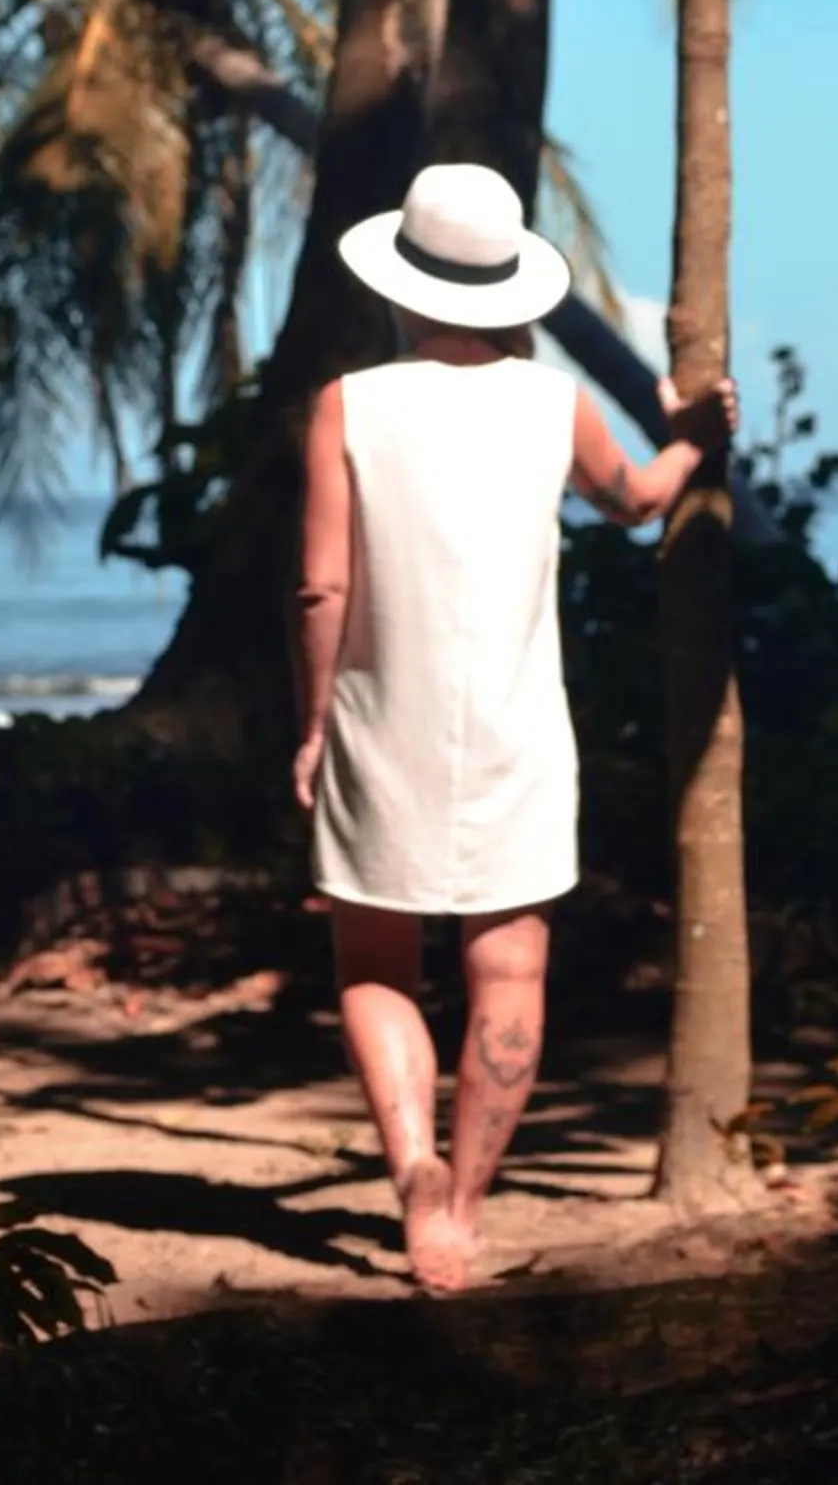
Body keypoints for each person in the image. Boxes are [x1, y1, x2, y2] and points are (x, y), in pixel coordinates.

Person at [292, 160, 739, 1294]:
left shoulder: (352, 402)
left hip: (377, 715)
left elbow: (320, 592)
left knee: (373, 960)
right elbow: (635, 500)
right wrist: (690, 439)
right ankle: (467, 1206)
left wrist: (312, 726)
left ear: (403, 286)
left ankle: (410, 1172)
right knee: (509, 970)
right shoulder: (554, 403)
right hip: (515, 726)